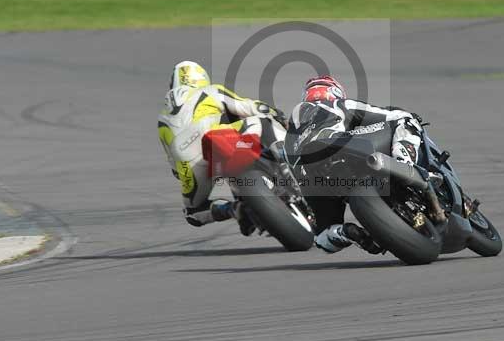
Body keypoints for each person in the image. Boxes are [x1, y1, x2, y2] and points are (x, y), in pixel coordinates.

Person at [285, 75, 424, 254]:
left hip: (314, 178)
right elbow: (387, 115)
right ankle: (406, 166)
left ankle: (346, 233)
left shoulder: (291, 135)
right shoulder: (336, 104)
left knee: (322, 235)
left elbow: (296, 173)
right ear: (334, 92)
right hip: (340, 147)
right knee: (403, 118)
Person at [158, 60, 285, 232]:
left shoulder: (162, 119)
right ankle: (286, 161)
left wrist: (185, 173)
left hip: (188, 162)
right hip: (214, 133)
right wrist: (277, 115)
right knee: (263, 120)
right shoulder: (208, 91)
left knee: (193, 212)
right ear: (201, 78)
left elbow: (174, 164)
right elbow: (248, 106)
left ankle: (233, 210)